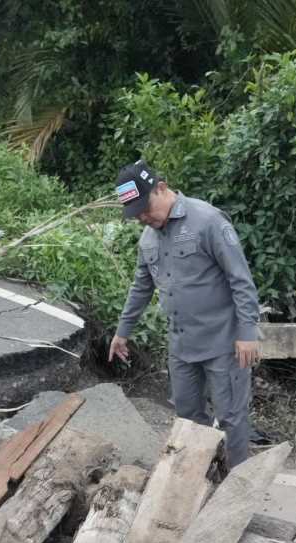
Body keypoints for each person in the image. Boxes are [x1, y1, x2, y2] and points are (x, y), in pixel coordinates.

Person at [108, 160, 262, 468]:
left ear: (161, 188)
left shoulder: (208, 221)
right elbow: (140, 288)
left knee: (231, 418)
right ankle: (194, 484)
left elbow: (241, 280)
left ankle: (237, 489)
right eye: (135, 213)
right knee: (188, 419)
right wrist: (122, 331)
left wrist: (247, 333)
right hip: (182, 347)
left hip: (224, 342)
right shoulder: (148, 238)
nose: (142, 217)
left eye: (145, 207)